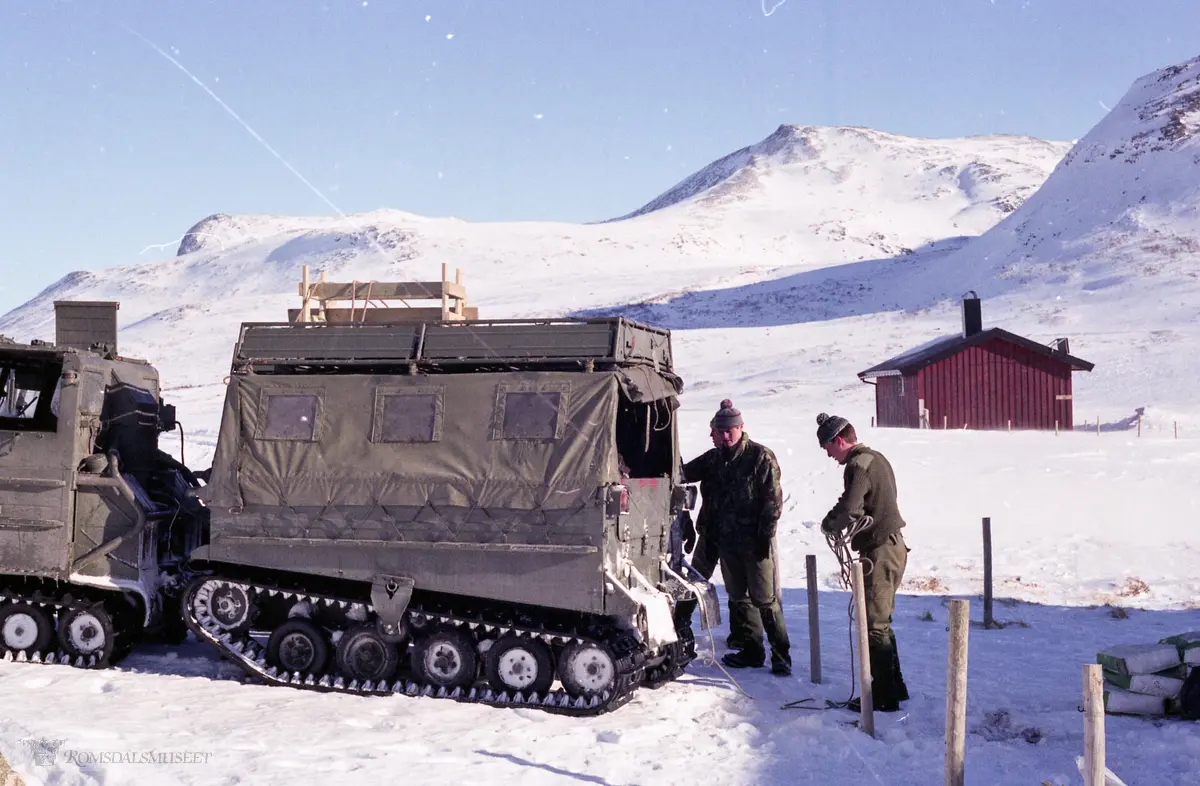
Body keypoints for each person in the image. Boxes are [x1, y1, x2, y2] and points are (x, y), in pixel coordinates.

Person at [678, 400, 791, 676]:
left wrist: (765, 536)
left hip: (753, 541)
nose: (726, 436)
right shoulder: (714, 458)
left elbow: (772, 501)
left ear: (741, 428)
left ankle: (781, 655)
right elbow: (681, 474)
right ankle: (751, 650)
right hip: (719, 538)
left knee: (764, 597)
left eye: (731, 431)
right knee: (738, 596)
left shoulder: (760, 457)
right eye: (721, 432)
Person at [817, 412, 910, 712]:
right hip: (892, 547)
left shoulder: (857, 465)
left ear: (839, 440)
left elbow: (850, 506)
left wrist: (829, 524)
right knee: (880, 621)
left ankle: (884, 697)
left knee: (873, 625)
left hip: (880, 551)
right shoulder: (876, 458)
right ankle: (894, 686)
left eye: (827, 447)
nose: (828, 455)